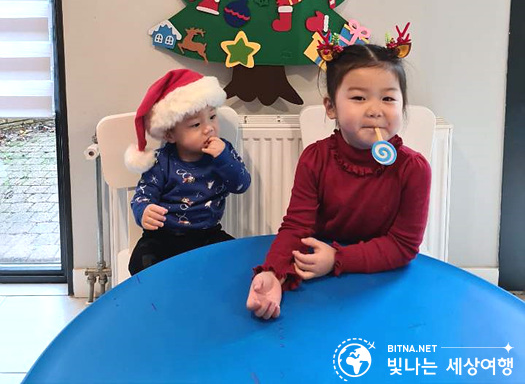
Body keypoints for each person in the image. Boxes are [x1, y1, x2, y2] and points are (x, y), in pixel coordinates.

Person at [246, 42, 431, 319]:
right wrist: (273, 272)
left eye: (388, 98)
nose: (375, 110)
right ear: (331, 107)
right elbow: (297, 226)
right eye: (359, 98)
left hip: (382, 281)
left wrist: (338, 259)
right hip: (319, 279)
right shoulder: (315, 159)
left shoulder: (414, 169)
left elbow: (403, 245)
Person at [124, 68, 251, 275]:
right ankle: (162, 293)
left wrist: (224, 158)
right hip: (163, 237)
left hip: (208, 235)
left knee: (239, 259)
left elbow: (241, 185)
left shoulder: (223, 152)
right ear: (170, 135)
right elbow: (143, 195)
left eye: (212, 117)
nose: (209, 128)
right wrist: (144, 211)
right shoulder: (161, 160)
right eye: (196, 124)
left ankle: (211, 292)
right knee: (140, 262)